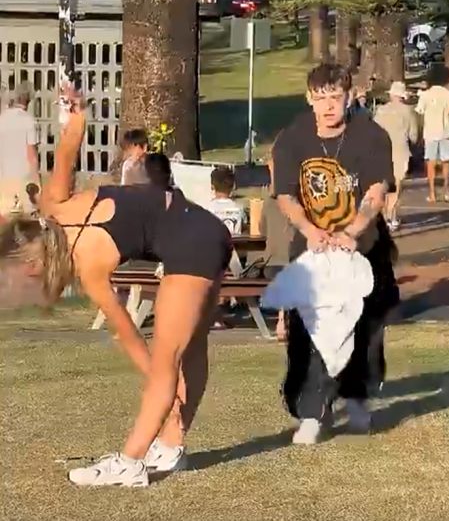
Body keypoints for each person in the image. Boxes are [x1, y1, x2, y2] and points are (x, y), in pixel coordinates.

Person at [0, 88, 232, 487]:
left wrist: (161, 383)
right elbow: (69, 145)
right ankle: (170, 447)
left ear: (32, 259)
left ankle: (131, 461)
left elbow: (129, 335)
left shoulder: (87, 267)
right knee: (190, 348)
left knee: (169, 358)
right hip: (205, 227)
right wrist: (76, 111)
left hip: (191, 241)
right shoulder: (54, 204)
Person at [272, 63, 399, 445]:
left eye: (335, 97)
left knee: (365, 330)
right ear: (309, 99)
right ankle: (312, 413)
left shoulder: (371, 135)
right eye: (320, 98)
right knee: (307, 334)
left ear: (349, 97)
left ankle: (358, 400)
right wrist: (310, 230)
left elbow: (376, 192)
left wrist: (352, 231)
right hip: (312, 251)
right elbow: (285, 195)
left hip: (364, 248)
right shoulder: (292, 138)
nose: (328, 106)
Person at [374, 81, 419, 231]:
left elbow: (373, 131)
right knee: (397, 186)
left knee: (384, 186)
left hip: (381, 151)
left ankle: (384, 217)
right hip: (400, 151)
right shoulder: (408, 111)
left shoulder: (380, 110)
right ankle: (391, 216)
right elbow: (414, 135)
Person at [259, 151, 294, 341]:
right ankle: (282, 317)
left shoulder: (268, 204)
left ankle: (282, 318)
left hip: (272, 264)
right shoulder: (298, 203)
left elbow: (261, 230)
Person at [415, 65, 449, 202]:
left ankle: (432, 193)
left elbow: (419, 113)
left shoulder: (425, 95)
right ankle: (446, 191)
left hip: (430, 132)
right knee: (446, 161)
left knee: (431, 162)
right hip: (446, 132)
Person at [0, 81, 40, 216]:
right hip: (23, 180)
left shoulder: (2, 119)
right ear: (28, 100)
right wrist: (37, 182)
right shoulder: (29, 121)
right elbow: (31, 155)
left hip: (3, 179)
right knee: (24, 221)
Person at [207, 166, 245, 235]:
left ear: (212, 187)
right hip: (234, 241)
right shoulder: (240, 208)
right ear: (233, 187)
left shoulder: (207, 209)